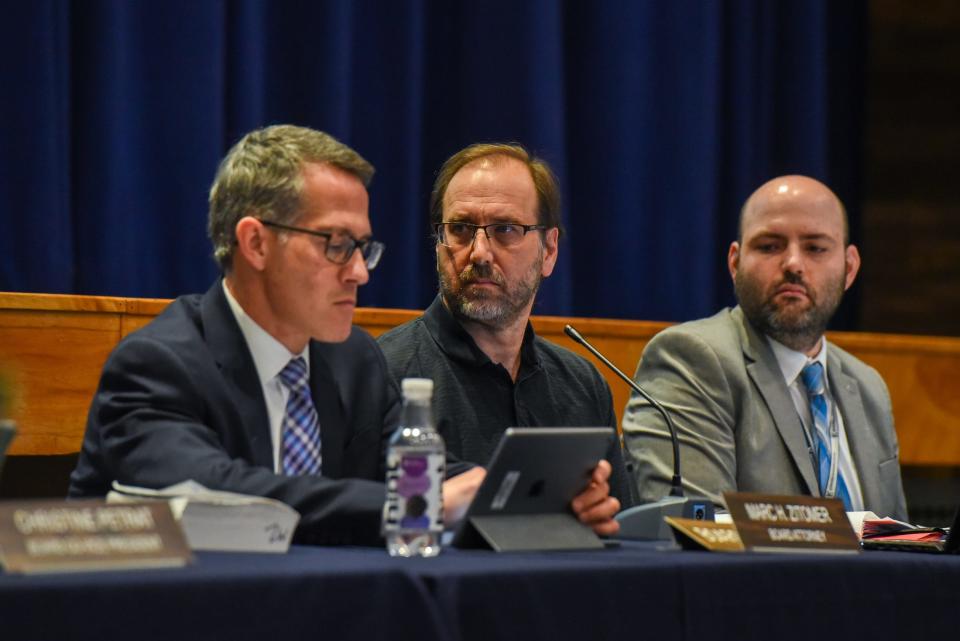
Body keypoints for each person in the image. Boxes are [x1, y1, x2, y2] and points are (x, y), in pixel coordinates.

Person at [69, 125, 482, 545]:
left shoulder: (354, 359)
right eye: (337, 244)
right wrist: (413, 503)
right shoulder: (157, 365)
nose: (358, 272)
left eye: (363, 247)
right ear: (256, 243)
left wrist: (509, 494)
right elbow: (217, 490)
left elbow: (429, 475)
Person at [622, 175, 908, 520]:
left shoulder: (868, 386)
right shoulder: (690, 359)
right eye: (770, 246)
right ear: (735, 263)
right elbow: (694, 529)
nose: (793, 264)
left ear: (849, 269)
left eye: (816, 248)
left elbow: (902, 539)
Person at [378, 143, 627, 536]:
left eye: (505, 230)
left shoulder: (583, 384)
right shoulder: (384, 373)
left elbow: (620, 532)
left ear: (550, 251)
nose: (479, 252)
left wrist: (597, 518)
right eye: (459, 229)